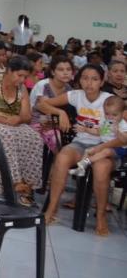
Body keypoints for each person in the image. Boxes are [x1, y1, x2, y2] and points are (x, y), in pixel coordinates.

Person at [40, 64, 116, 235]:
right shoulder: (76, 95)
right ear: (79, 80)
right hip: (80, 145)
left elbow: (118, 126)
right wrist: (61, 113)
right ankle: (52, 210)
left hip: (105, 147)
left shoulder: (109, 100)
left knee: (101, 167)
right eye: (85, 78)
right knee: (62, 158)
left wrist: (100, 132)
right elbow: (43, 105)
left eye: (95, 79)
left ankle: (101, 217)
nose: (89, 83)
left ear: (102, 81)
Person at [0, 56, 45, 207]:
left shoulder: (22, 89)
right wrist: (5, 120)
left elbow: (26, 115)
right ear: (8, 71)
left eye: (25, 77)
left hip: (13, 123)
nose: (22, 80)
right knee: (6, 135)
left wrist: (18, 120)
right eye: (19, 75)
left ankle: (28, 184)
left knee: (34, 138)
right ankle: (13, 184)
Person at [70, 96, 127, 177]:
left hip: (120, 148)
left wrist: (117, 131)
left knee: (106, 151)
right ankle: (80, 170)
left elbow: (124, 140)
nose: (110, 117)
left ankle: (85, 162)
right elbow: (99, 132)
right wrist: (85, 129)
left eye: (114, 115)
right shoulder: (105, 121)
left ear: (123, 113)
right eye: (107, 114)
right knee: (88, 151)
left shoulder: (123, 124)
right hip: (104, 143)